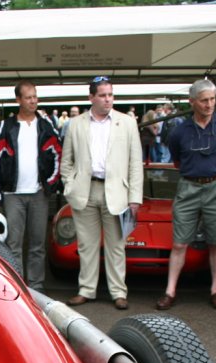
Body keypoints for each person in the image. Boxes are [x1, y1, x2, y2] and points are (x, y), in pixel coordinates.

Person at [61, 75, 143, 310]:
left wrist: (135, 198)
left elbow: (135, 163)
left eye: (110, 95)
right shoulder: (75, 124)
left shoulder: (126, 122)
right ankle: (87, 289)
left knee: (116, 245)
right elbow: (66, 161)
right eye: (103, 95)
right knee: (86, 244)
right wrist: (70, 184)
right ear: (91, 97)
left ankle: (118, 291)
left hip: (117, 192)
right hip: (85, 190)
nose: (108, 100)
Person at [157, 78, 216, 311]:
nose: (209, 104)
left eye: (212, 99)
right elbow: (177, 161)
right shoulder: (178, 131)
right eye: (204, 100)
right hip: (189, 186)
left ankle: (215, 290)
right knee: (180, 242)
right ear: (192, 102)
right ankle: (170, 291)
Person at [0, 79, 62, 291]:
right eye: (28, 97)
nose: (32, 101)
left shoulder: (46, 126)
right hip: (13, 194)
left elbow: (59, 154)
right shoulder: (6, 127)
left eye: (35, 97)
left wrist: (51, 183)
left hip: (39, 194)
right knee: (13, 244)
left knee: (38, 244)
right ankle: (15, 286)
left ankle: (36, 288)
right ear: (18, 99)